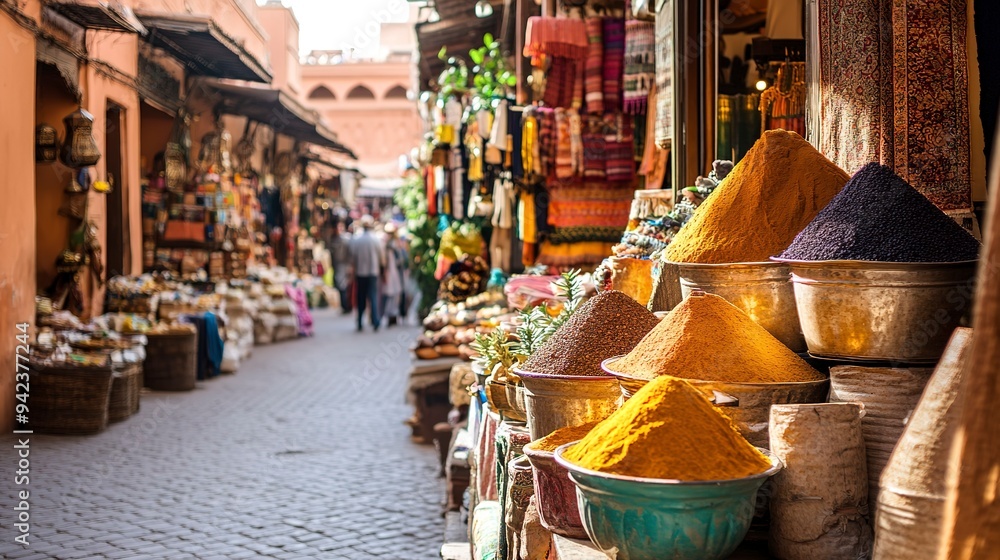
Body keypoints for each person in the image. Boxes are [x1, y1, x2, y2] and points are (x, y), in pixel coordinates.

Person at [349, 215, 385, 332]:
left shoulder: (357, 240)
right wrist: (382, 270)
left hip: (361, 273)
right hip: (373, 272)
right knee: (373, 297)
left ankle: (360, 322)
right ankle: (375, 321)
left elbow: (353, 258)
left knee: (361, 298)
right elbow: (381, 258)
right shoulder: (376, 239)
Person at [381, 223, 404, 327]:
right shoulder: (389, 246)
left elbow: (399, 261)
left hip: (394, 273)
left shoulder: (393, 245)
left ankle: (393, 315)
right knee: (391, 295)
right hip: (391, 273)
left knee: (394, 295)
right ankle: (391, 315)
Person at [329, 221, 353, 314]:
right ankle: (345, 305)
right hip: (340, 265)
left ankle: (346, 305)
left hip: (344, 265)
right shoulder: (337, 239)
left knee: (343, 285)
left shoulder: (346, 239)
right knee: (342, 285)